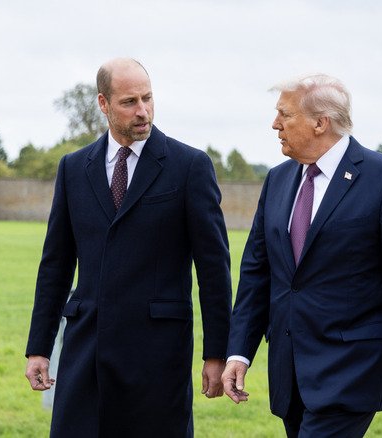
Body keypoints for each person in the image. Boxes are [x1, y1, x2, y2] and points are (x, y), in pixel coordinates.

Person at [24, 58, 232, 437]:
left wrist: (216, 353)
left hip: (157, 355)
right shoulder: (73, 168)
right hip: (85, 349)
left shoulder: (189, 167)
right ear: (103, 104)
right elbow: (55, 264)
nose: (143, 111)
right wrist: (38, 346)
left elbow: (214, 268)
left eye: (148, 99)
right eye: (129, 102)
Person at [221, 74, 382, 437]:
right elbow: (257, 273)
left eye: (284, 115)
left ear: (320, 123)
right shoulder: (277, 180)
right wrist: (239, 352)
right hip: (289, 369)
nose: (275, 125)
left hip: (352, 368)